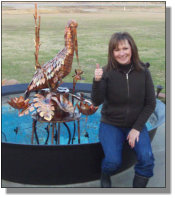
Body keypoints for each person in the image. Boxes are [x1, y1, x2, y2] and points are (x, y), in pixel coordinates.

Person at [91, 32, 156, 188]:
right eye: (116, 50)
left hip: (136, 124)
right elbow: (96, 101)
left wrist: (136, 129)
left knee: (146, 159)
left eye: (125, 48)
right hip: (111, 124)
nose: (122, 53)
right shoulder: (107, 72)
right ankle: (105, 173)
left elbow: (150, 104)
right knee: (113, 162)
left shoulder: (144, 72)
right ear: (112, 53)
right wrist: (97, 81)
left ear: (132, 48)